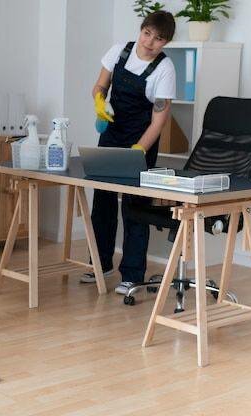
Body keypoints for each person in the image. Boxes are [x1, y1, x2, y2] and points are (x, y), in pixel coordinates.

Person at [80, 11, 176, 295]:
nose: (149, 42)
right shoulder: (119, 51)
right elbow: (100, 86)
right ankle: (100, 264)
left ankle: (132, 274)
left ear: (166, 42)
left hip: (141, 138)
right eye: (147, 34)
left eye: (158, 39)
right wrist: (99, 103)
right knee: (103, 200)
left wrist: (139, 150)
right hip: (111, 133)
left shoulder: (164, 69)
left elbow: (159, 121)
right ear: (141, 30)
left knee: (135, 206)